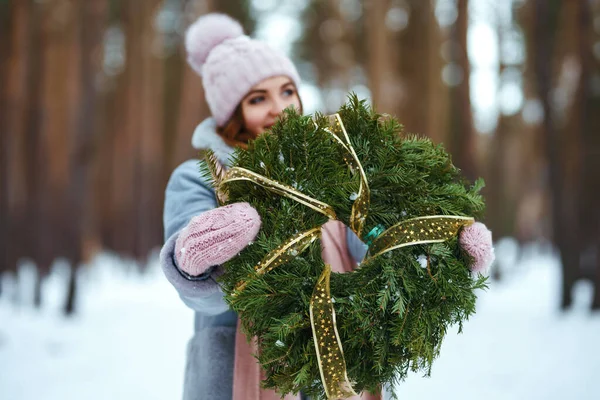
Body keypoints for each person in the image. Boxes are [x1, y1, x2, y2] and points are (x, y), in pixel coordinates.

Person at [159, 13, 380, 400]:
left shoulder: (330, 171)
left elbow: (367, 243)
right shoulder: (199, 178)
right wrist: (196, 257)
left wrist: (429, 241)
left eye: (287, 91)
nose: (279, 107)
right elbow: (205, 296)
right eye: (258, 98)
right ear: (232, 112)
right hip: (239, 377)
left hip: (337, 365)